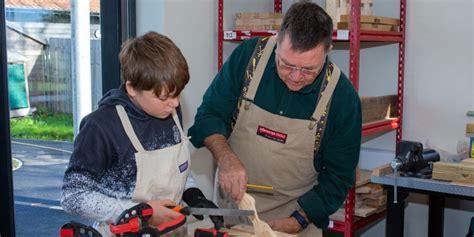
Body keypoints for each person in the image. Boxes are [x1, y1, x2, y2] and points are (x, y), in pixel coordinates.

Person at [188, 2, 361, 237]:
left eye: (309, 69)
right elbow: (209, 114)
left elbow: (339, 176)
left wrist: (300, 220)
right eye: (286, 64)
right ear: (278, 40)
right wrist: (225, 158)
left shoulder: (342, 98)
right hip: (234, 213)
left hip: (294, 219)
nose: (296, 77)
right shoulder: (248, 58)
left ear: (328, 50)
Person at [61, 31, 222, 236]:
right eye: (164, 97)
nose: (175, 103)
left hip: (171, 230)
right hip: (124, 231)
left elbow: (174, 170)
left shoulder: (170, 113)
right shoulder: (101, 127)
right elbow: (73, 196)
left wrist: (193, 194)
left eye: (177, 94)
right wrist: (139, 212)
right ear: (132, 88)